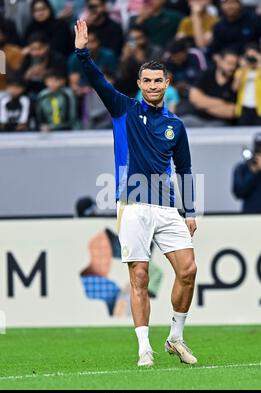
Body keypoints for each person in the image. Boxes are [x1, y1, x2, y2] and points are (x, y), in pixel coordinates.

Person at [74, 19, 198, 367]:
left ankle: (175, 337)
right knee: (139, 276)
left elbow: (185, 169)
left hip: (168, 206)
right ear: (139, 84)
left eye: (159, 80)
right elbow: (98, 81)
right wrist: (82, 52)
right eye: (148, 80)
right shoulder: (124, 109)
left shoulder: (176, 125)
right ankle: (145, 347)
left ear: (167, 83)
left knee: (187, 270)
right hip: (132, 204)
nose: (153, 86)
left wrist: (189, 210)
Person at [185, 48, 238, 126]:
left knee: (211, 129)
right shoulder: (207, 74)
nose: (232, 67)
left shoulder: (236, 80)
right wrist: (222, 103)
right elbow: (194, 97)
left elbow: (231, 112)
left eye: (234, 64)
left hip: (220, 122)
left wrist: (203, 105)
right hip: (198, 118)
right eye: (229, 63)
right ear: (220, 61)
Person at [233, 43, 261, 126]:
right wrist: (244, 68)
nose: (251, 58)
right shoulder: (240, 71)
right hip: (244, 107)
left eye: (253, 55)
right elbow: (235, 88)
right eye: (249, 56)